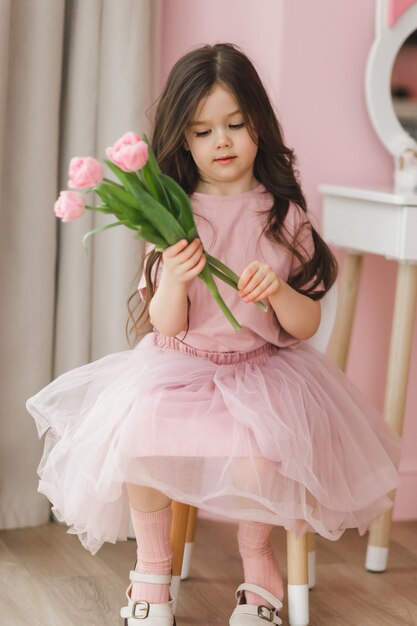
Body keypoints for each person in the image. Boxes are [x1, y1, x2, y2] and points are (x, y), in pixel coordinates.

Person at [27, 43, 401, 626]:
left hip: (259, 373)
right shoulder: (171, 214)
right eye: (202, 132)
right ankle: (153, 572)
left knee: (263, 457)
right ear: (183, 140)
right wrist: (173, 278)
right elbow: (166, 323)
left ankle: (260, 568)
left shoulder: (283, 215)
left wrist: (278, 292)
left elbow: (304, 325)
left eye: (235, 124)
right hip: (180, 370)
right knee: (138, 441)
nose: (221, 142)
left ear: (260, 125)